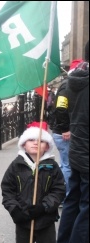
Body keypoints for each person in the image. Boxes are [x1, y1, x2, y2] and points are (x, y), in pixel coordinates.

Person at [1, 122, 66, 243]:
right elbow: (7, 190)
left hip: (45, 222)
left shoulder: (52, 166)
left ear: (47, 146)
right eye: (31, 140)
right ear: (24, 143)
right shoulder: (16, 166)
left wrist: (44, 207)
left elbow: (58, 190)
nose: (36, 143)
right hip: (23, 221)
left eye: (41, 140)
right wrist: (15, 210)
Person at [56, 41, 89, 243]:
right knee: (87, 207)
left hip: (78, 148)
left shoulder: (74, 82)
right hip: (87, 152)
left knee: (73, 200)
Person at [49, 59, 84, 200]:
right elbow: (61, 108)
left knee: (69, 165)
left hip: (65, 131)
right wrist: (65, 128)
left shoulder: (69, 85)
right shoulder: (67, 86)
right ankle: (66, 196)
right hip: (64, 133)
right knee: (67, 166)